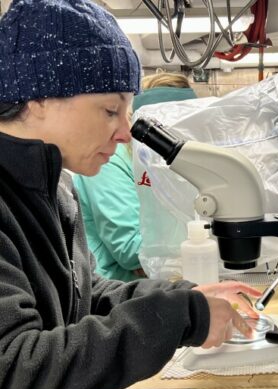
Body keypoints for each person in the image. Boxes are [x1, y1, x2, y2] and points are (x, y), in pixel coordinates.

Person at [0, 1, 260, 389]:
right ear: (36, 99)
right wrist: (174, 320)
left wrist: (182, 296)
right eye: (109, 109)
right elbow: (13, 371)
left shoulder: (54, 188)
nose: (124, 132)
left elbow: (83, 294)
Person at [73, 72, 197, 281]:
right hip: (116, 296)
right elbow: (131, 251)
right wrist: (200, 242)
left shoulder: (177, 162)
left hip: (162, 286)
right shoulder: (109, 161)